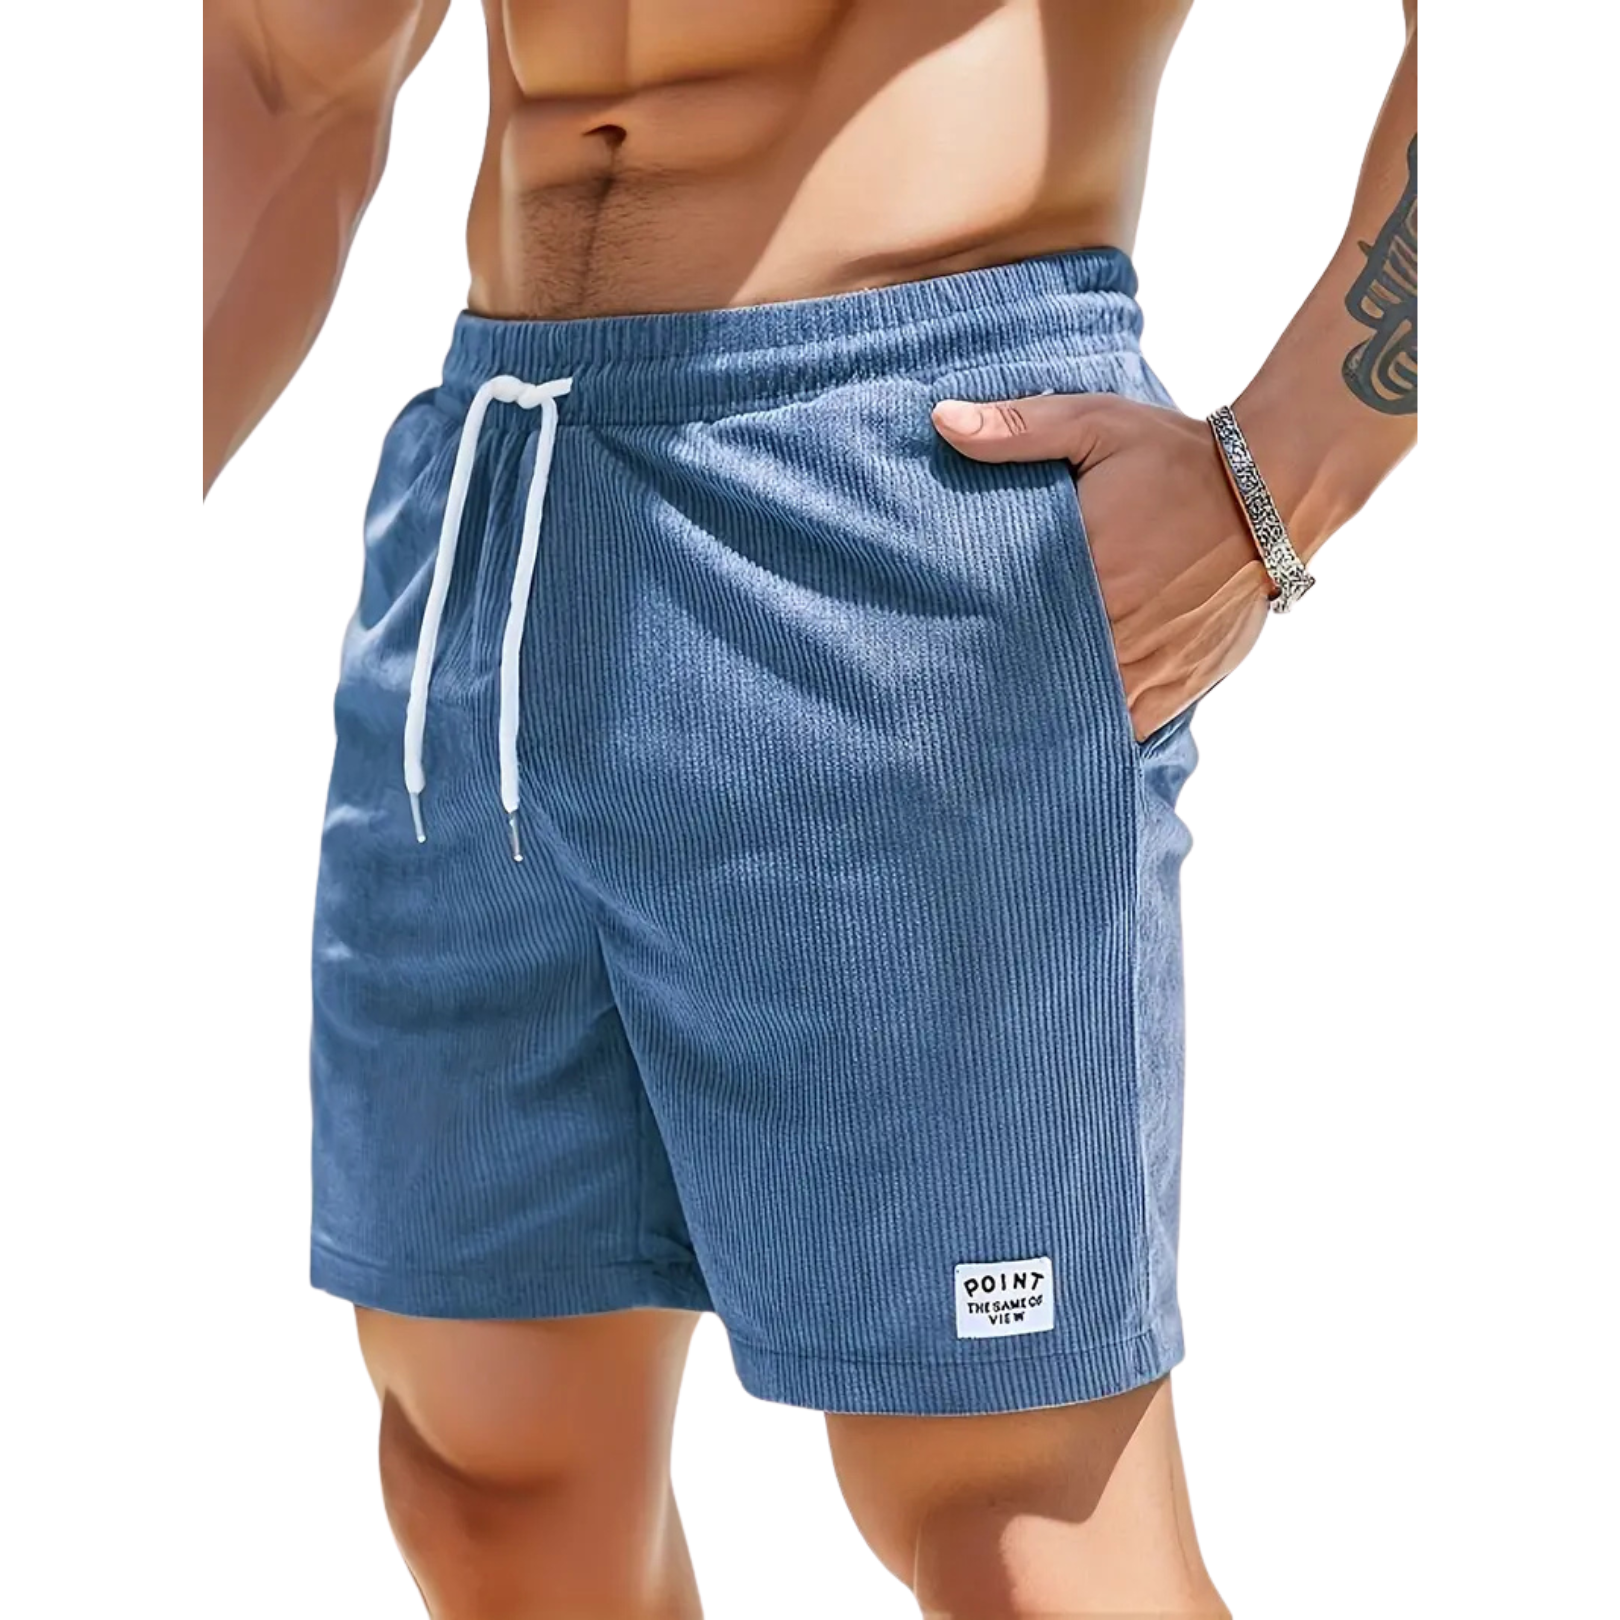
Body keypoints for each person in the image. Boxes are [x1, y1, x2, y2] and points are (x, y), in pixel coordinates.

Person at [203, 1, 1417, 1613]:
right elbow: (288, 77)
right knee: (487, 1474)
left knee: (1020, 1528)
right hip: (495, 510)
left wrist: (1290, 468)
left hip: (905, 500)